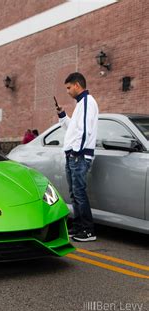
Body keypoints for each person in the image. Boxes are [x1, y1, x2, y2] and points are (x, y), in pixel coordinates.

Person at [57, 72, 99, 242]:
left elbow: (84, 130)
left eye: (68, 87)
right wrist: (62, 115)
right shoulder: (81, 104)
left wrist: (76, 152)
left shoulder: (88, 102)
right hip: (74, 155)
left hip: (79, 156)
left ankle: (88, 230)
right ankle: (79, 226)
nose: (67, 91)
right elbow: (73, 129)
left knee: (79, 193)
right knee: (74, 193)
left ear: (77, 85)